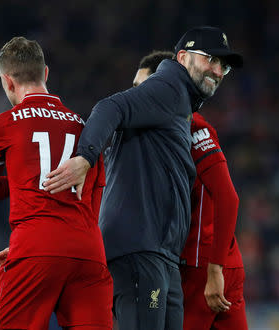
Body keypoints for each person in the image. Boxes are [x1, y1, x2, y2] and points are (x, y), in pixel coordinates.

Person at [43, 26, 243, 330]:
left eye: (224, 65)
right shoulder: (169, 87)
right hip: (141, 249)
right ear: (182, 57)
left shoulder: (179, 106)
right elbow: (110, 106)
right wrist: (85, 156)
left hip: (160, 253)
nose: (218, 71)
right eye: (210, 60)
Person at [0, 36, 112, 330]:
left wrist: (24, 181)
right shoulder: (85, 127)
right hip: (88, 250)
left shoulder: (4, 123)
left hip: (35, 246)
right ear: (45, 73)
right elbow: (95, 196)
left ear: (7, 82)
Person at [132, 51, 247, 329]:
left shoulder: (190, 126)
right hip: (224, 261)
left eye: (141, 87)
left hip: (199, 265)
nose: (134, 96)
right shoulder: (161, 133)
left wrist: (214, 267)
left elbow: (228, 198)